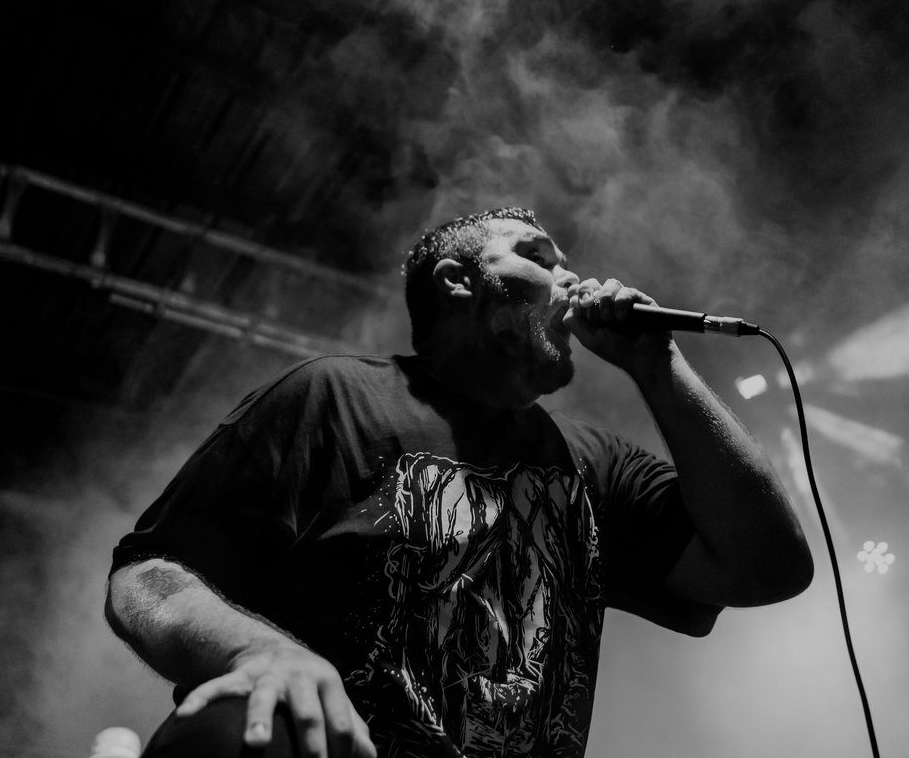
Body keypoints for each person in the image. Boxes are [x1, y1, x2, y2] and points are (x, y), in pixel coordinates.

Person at [105, 206, 814, 758]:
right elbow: (147, 575)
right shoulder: (332, 397)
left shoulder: (596, 465)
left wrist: (658, 366)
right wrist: (257, 652)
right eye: (539, 258)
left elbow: (767, 566)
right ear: (458, 279)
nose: (572, 279)